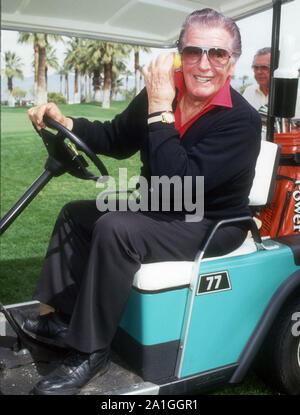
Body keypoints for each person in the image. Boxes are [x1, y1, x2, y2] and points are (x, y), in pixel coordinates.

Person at [20, 8, 261, 395]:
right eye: (192, 52)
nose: (203, 64)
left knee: (117, 228)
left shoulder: (241, 121)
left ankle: (89, 352)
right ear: (179, 55)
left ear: (232, 63)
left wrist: (160, 110)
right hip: (160, 204)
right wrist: (69, 123)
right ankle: (65, 319)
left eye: (217, 54)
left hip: (210, 221)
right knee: (77, 214)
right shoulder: (163, 93)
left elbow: (180, 184)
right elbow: (116, 136)